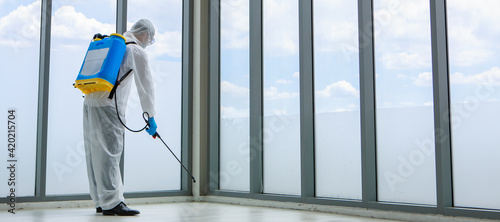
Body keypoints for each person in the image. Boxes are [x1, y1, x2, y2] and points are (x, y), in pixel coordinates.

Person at [83, 19, 157, 216]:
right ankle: (113, 202)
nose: (149, 42)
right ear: (146, 35)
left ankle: (100, 200)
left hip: (89, 102)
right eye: (151, 38)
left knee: (94, 154)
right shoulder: (136, 51)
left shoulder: (116, 44)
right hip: (108, 106)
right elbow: (146, 87)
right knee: (110, 153)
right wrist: (150, 116)